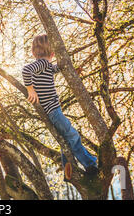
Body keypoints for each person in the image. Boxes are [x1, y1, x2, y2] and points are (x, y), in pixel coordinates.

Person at [21, 34, 98, 181]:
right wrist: (30, 89)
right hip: (53, 111)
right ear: (53, 52)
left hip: (53, 110)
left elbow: (55, 69)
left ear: (33, 52)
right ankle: (90, 164)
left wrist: (71, 71)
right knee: (72, 136)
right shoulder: (42, 63)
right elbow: (26, 70)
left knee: (66, 142)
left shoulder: (45, 66)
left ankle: (69, 172)